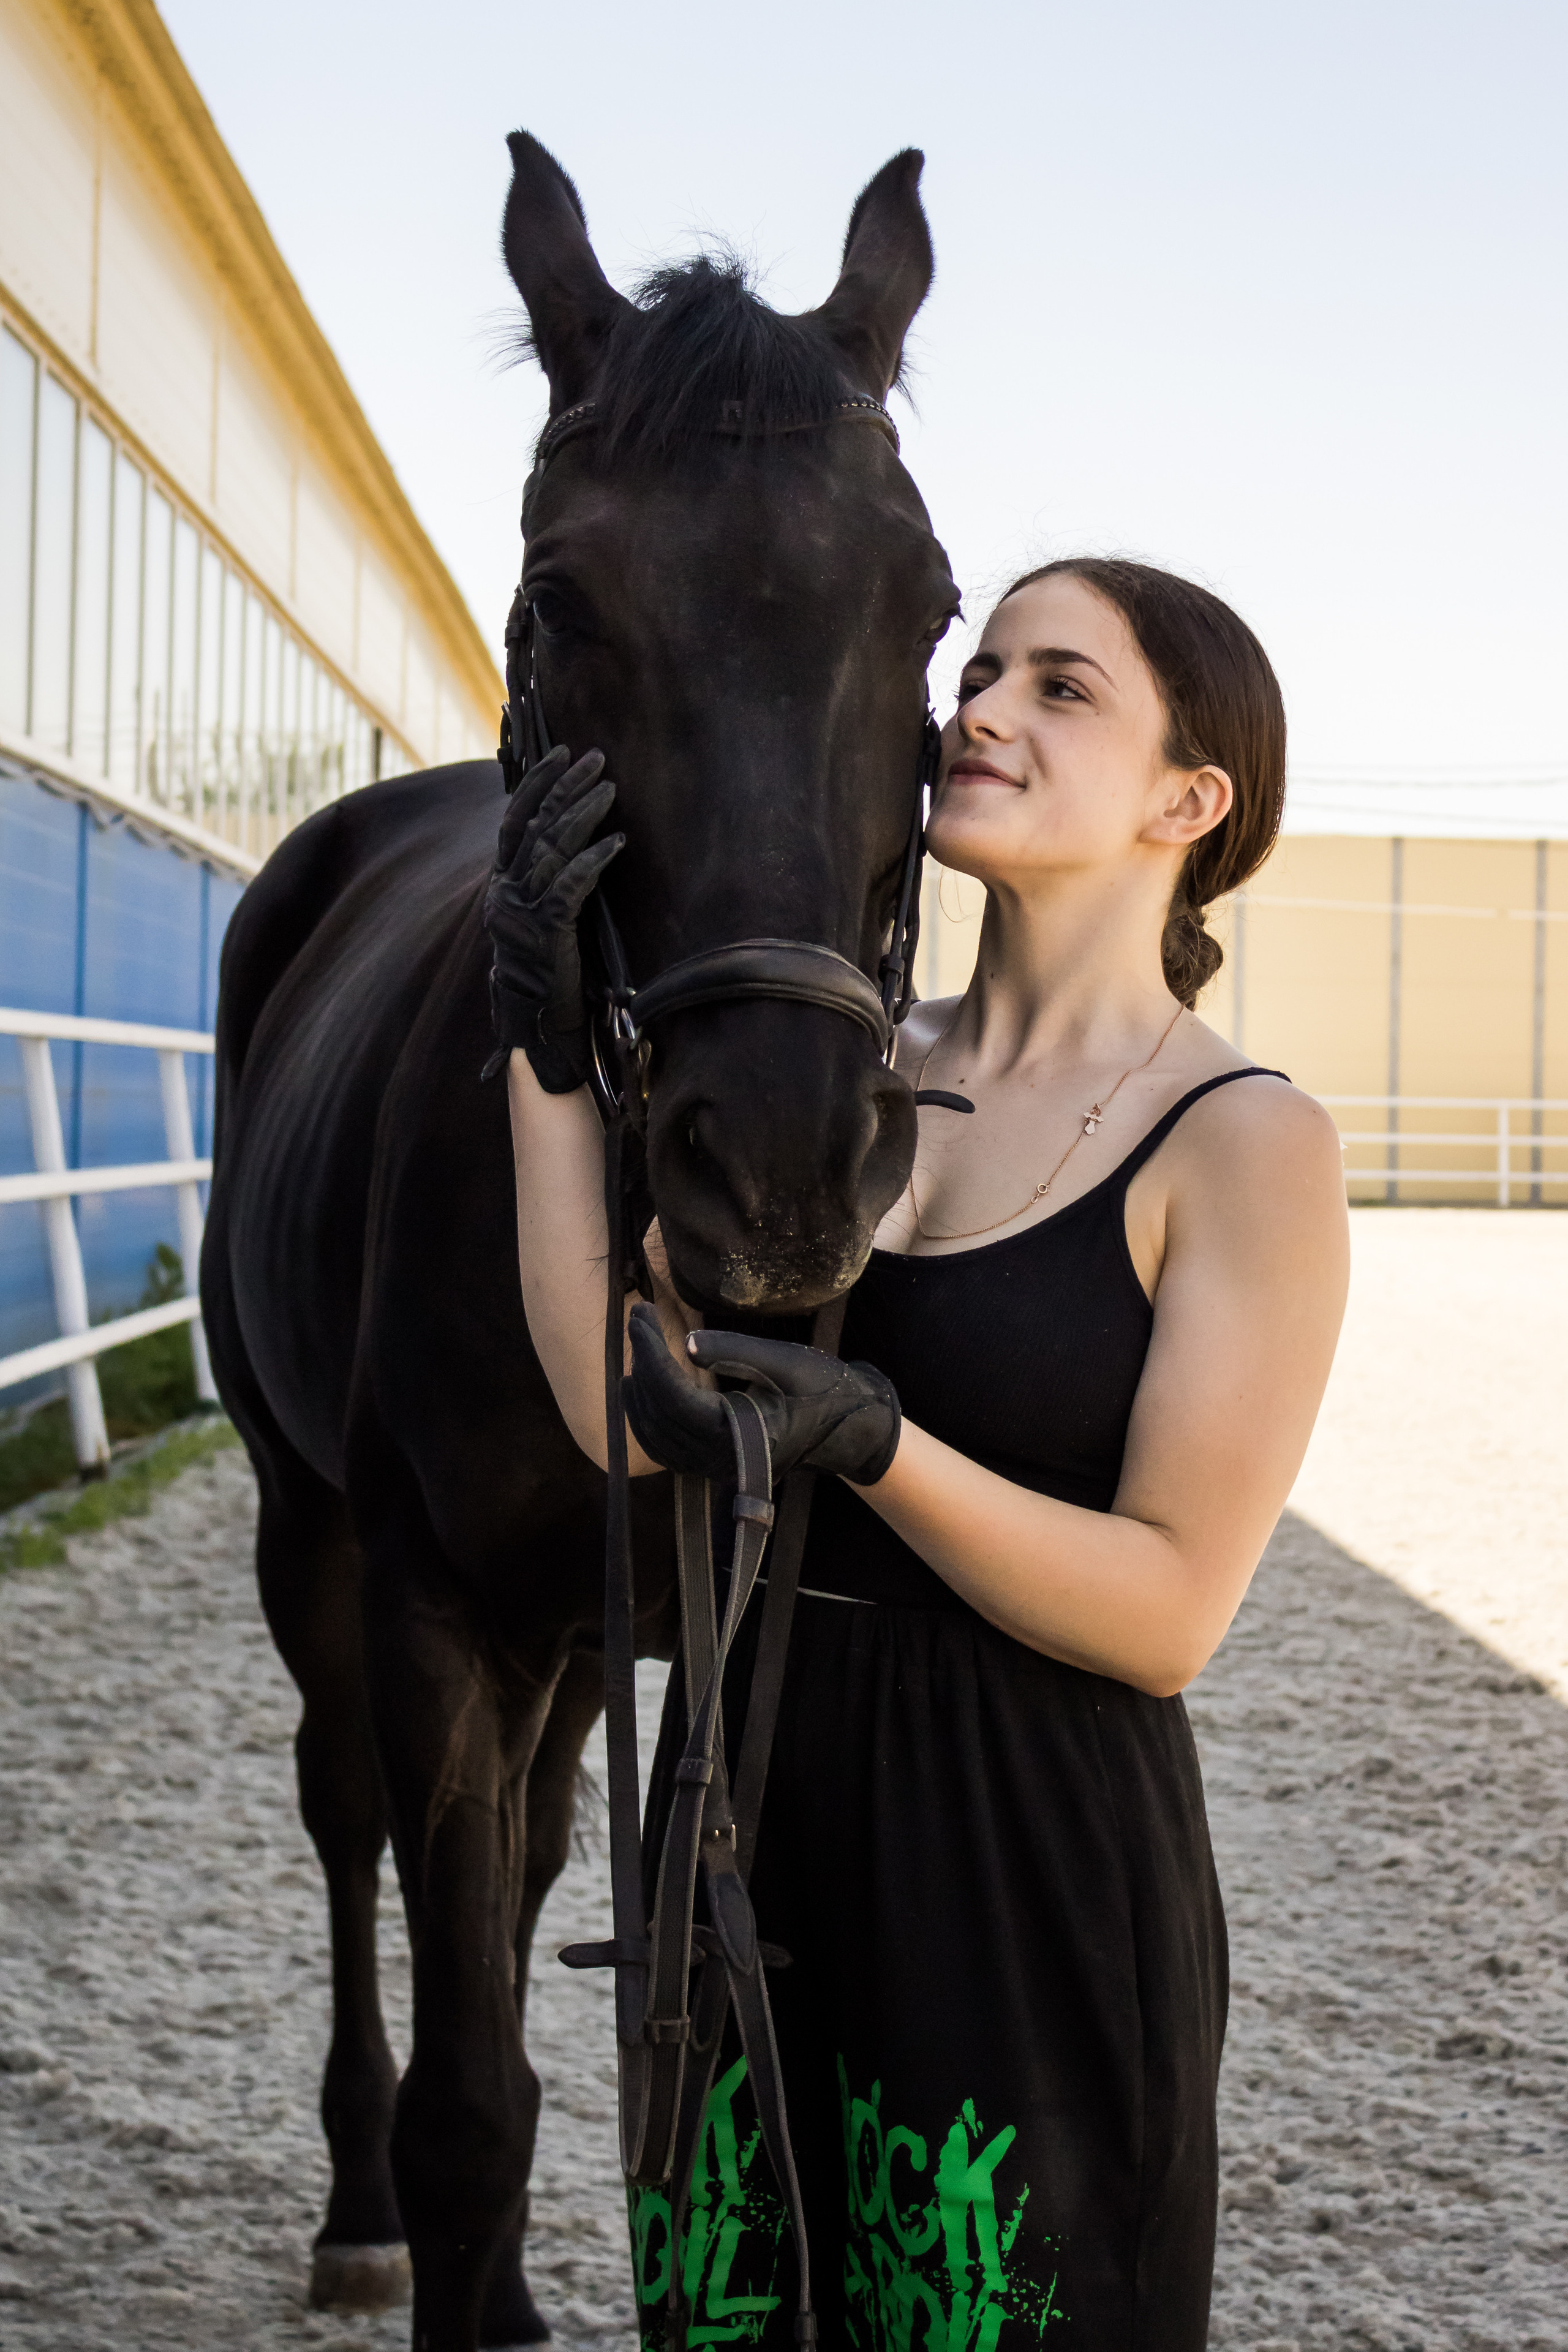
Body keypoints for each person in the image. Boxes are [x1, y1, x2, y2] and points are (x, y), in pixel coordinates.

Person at [488, 556, 1349, 2350]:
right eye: (981, 671)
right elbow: (611, 1410)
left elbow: (1172, 1610)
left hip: (1020, 1850)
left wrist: (877, 1444)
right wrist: (549, 1047)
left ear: (1190, 804)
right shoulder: (844, 1074)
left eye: (1060, 688)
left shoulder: (1244, 1143)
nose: (978, 710)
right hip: (749, 1795)